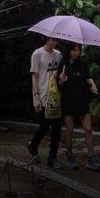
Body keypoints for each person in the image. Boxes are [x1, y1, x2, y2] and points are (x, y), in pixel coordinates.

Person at [57, 42, 100, 171]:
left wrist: (93, 85)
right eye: (74, 50)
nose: (76, 53)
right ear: (69, 51)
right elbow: (59, 85)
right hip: (68, 101)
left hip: (82, 100)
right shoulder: (63, 65)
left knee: (88, 129)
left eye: (78, 50)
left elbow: (88, 78)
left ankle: (91, 158)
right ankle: (70, 156)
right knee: (69, 130)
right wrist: (61, 80)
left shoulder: (83, 64)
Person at [28, 36, 63, 169]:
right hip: (42, 94)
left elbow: (59, 73)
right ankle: (33, 145)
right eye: (52, 39)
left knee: (57, 129)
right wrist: (36, 97)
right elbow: (34, 76)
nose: (54, 42)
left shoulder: (58, 55)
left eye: (56, 40)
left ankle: (52, 158)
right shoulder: (37, 54)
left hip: (55, 96)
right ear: (46, 39)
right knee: (44, 127)